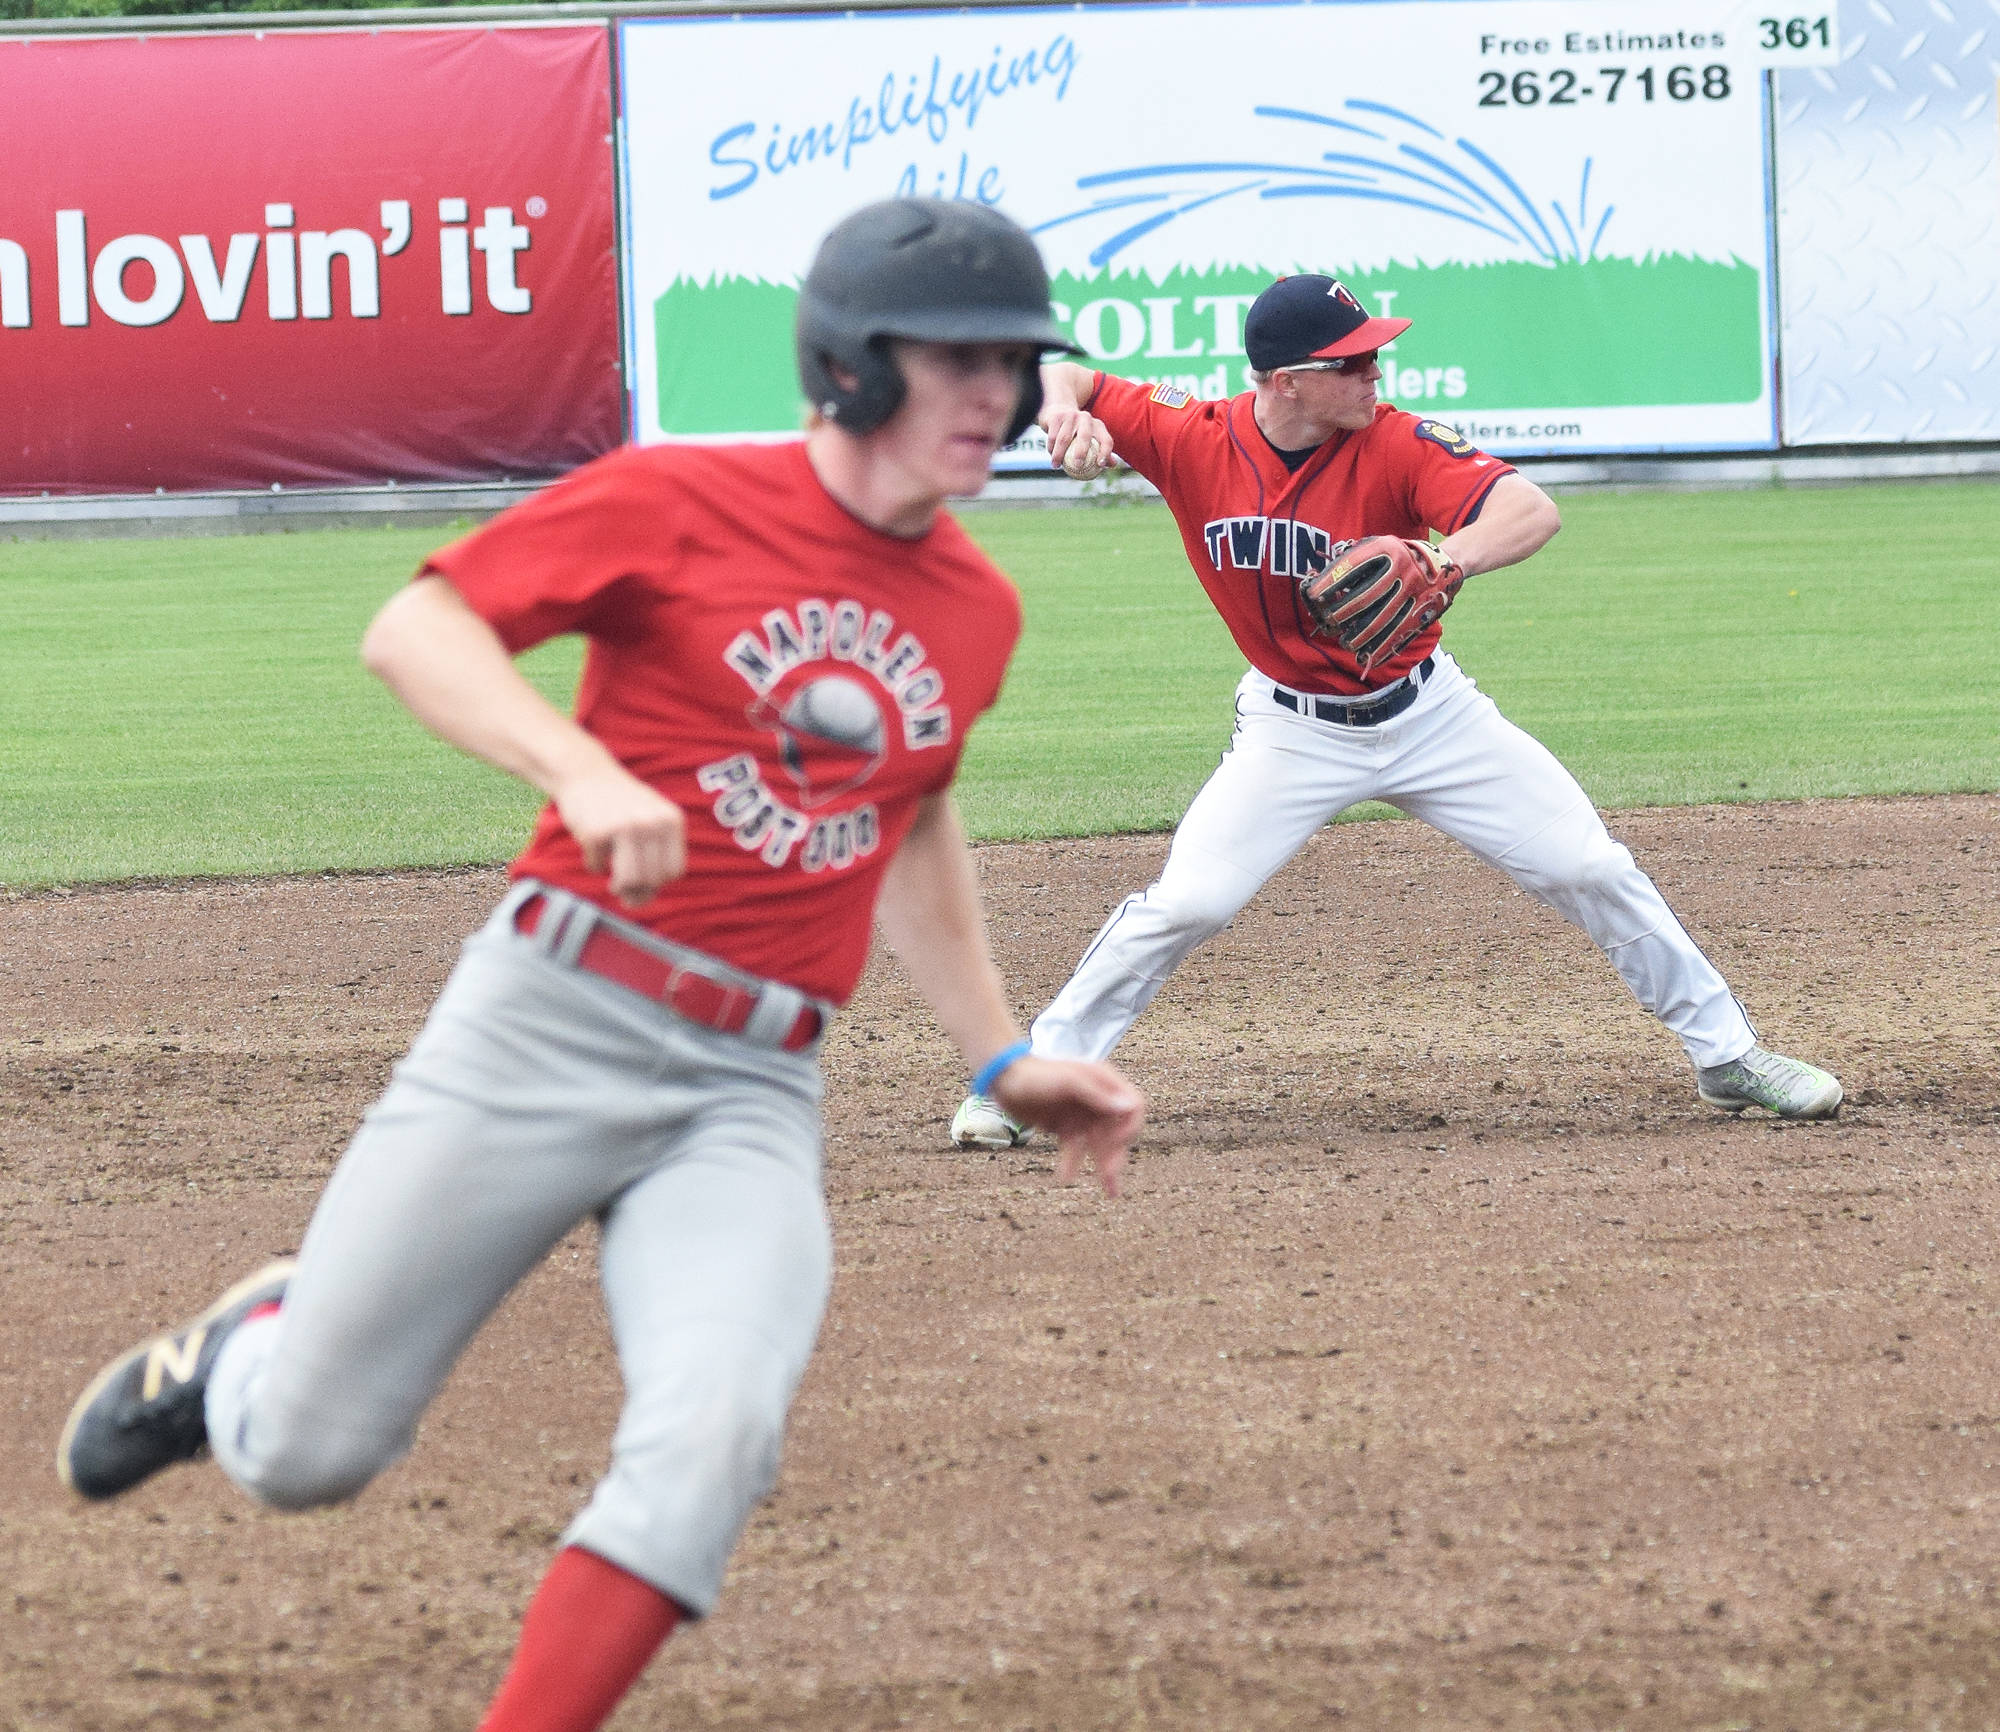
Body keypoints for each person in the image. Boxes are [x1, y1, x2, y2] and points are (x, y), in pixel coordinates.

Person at [56, 197, 1144, 1732]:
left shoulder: (976, 605)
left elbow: (912, 815)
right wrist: (577, 766)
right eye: (955, 356)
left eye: (1015, 363)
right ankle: (247, 1347)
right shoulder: (680, 497)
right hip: (549, 1016)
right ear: (847, 365)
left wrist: (999, 1053)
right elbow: (417, 630)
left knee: (716, 1433)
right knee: (306, 1456)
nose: (998, 395)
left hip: (747, 1087)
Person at [950, 272, 1840, 1152]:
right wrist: (1063, 413)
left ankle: (1729, 1056)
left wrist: (1449, 560)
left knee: (1589, 867)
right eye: (1352, 363)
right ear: (1284, 380)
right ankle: (1031, 1080)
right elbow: (1060, 378)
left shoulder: (1400, 441)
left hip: (1431, 718)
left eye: (1375, 356)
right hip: (1291, 729)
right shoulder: (1193, 432)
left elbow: (1529, 510)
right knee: (1189, 903)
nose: (1376, 375)